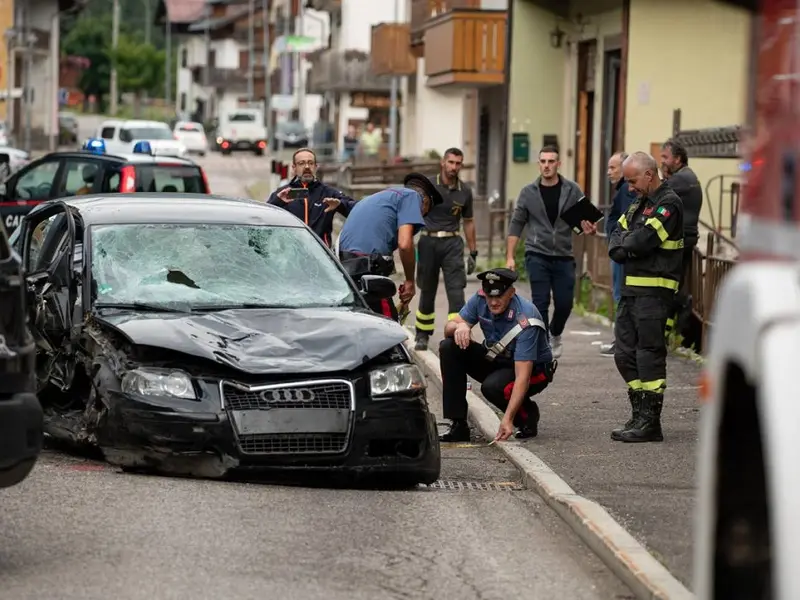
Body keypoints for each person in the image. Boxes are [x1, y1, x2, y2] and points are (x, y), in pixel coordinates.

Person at [605, 151, 684, 444]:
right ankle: (639, 415)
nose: (630, 187)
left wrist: (629, 243)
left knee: (648, 355)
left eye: (633, 180)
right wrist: (627, 243)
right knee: (624, 354)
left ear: (649, 175)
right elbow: (616, 234)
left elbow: (643, 240)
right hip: (631, 292)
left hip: (655, 292)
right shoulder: (640, 203)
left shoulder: (669, 203)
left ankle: (651, 423)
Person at [438, 268, 556, 443]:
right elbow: (448, 328)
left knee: (492, 387)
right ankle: (458, 425)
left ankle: (527, 416)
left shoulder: (525, 318)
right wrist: (460, 326)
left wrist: (507, 419)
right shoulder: (480, 299)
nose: (493, 302)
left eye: (498, 296)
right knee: (448, 346)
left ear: (511, 293)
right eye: (489, 296)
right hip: (499, 360)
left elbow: (522, 376)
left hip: (533, 371)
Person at [506, 145, 586, 359]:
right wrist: (510, 256)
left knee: (565, 303)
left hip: (563, 255)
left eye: (551, 161)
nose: (547, 165)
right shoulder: (528, 192)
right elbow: (516, 225)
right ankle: (543, 346)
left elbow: (584, 221)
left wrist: (589, 226)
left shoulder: (572, 190)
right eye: (543, 161)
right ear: (539, 164)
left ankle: (556, 333)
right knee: (540, 301)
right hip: (537, 254)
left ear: (558, 164)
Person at [337, 173, 443, 319]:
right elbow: (405, 244)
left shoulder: (381, 197)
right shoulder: (412, 197)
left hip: (345, 264)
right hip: (367, 267)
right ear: (425, 201)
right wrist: (410, 281)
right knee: (387, 325)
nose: (421, 216)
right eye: (425, 213)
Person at [413, 147, 478, 351]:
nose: (454, 167)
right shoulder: (429, 186)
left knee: (456, 291)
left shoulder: (465, 191)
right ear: (443, 163)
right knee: (427, 290)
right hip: (428, 242)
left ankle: (455, 335)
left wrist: (473, 252)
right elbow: (413, 212)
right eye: (450, 162)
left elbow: (468, 222)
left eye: (458, 163)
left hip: (452, 244)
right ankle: (422, 335)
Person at [267, 148, 356, 247]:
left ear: (316, 167)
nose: (307, 167)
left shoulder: (328, 192)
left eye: (310, 163)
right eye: (301, 163)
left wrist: (340, 205)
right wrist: (277, 201)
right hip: (290, 254)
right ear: (294, 168)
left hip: (320, 255)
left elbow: (356, 209)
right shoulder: (283, 193)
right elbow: (264, 218)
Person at [660, 139, 703, 336]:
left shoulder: (681, 179)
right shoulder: (687, 176)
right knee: (674, 284)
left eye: (665, 157)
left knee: (669, 284)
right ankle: (668, 329)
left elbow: (656, 193)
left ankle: (667, 328)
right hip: (686, 238)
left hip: (680, 240)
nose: (662, 161)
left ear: (678, 159)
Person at [599, 152, 637, 356]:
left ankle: (622, 342)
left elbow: (625, 220)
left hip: (622, 251)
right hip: (620, 248)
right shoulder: (622, 189)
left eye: (613, 167)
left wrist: (616, 240)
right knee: (620, 295)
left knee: (621, 295)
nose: (608, 172)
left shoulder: (626, 189)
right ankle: (622, 340)